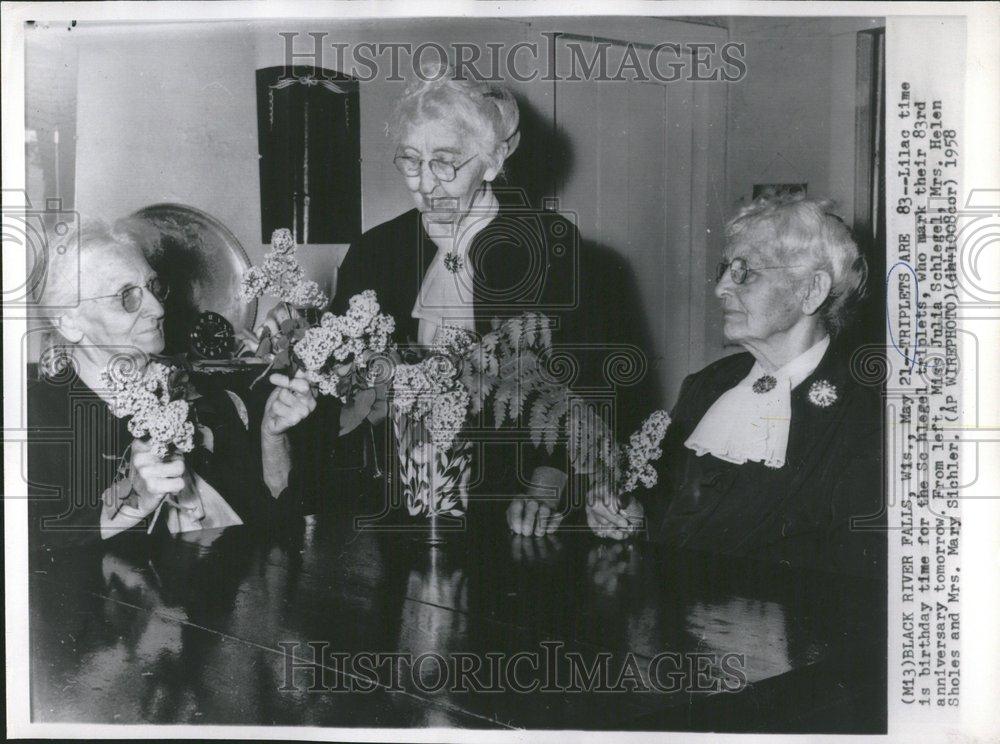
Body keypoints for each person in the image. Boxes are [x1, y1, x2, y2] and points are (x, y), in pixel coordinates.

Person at [271, 64, 628, 534]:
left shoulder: (551, 248)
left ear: (494, 160)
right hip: (397, 502)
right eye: (411, 160)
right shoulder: (376, 251)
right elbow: (343, 389)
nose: (424, 182)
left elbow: (584, 386)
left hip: (513, 503)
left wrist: (545, 487)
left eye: (446, 161)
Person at [628, 193, 883, 575]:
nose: (720, 289)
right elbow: (668, 513)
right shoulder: (707, 386)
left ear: (811, 291)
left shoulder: (866, 413)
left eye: (745, 272)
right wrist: (632, 517)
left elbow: (857, 578)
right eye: (726, 269)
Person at [26, 220, 313, 552]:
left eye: (153, 286)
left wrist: (272, 436)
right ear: (70, 322)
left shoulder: (196, 391)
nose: (158, 309)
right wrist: (131, 502)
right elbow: (29, 556)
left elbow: (270, 520)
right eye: (126, 297)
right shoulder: (37, 418)